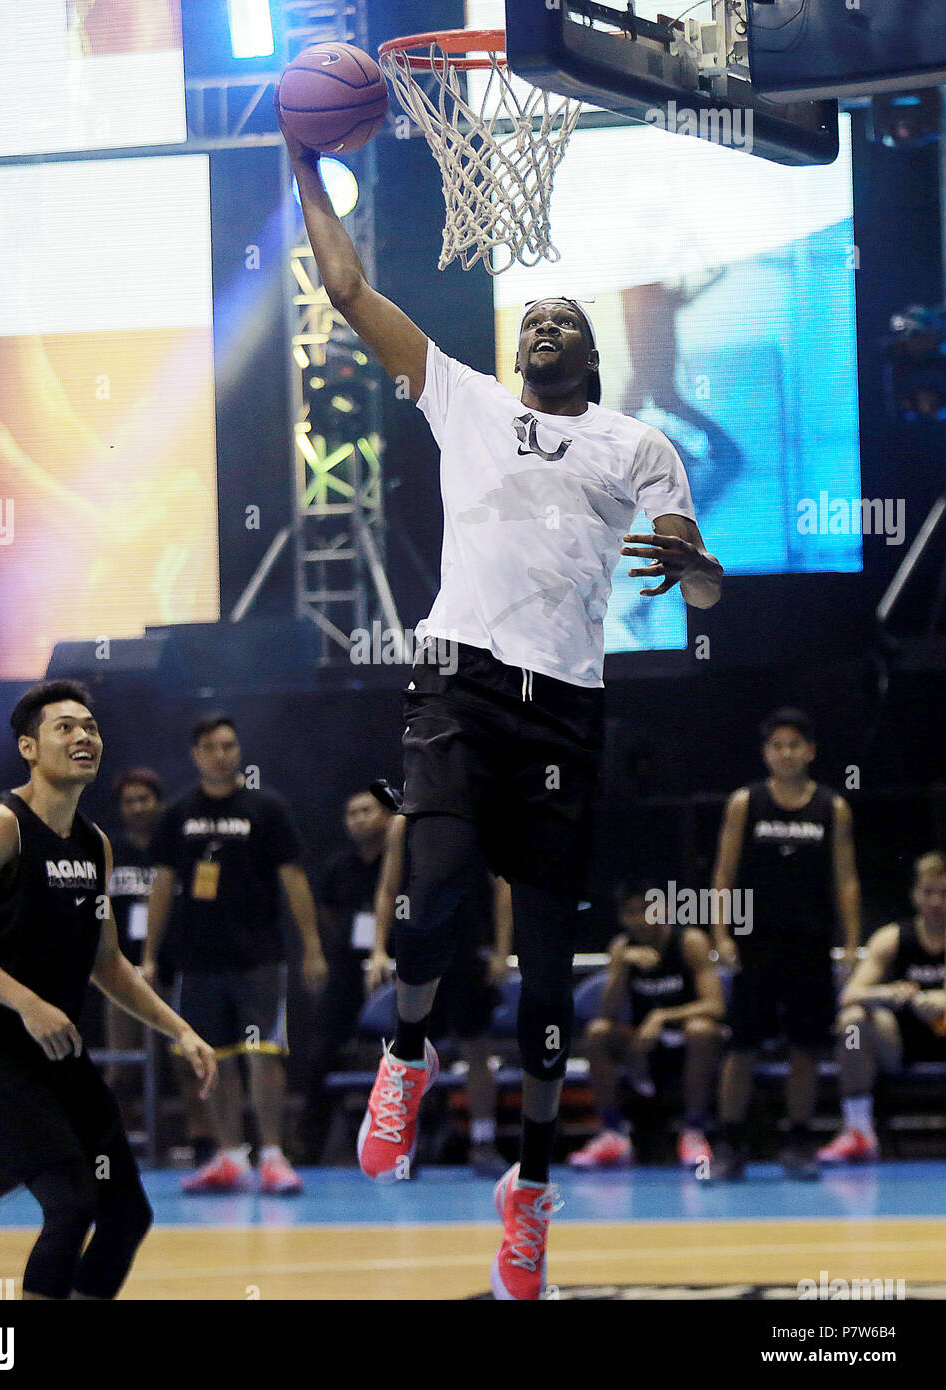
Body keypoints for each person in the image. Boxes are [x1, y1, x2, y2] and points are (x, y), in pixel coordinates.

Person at [280, 101, 723, 1298]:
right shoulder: (462, 396)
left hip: (565, 709)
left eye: (564, 319)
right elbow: (347, 287)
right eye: (533, 313)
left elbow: (694, 575)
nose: (545, 323)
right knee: (425, 916)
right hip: (460, 682)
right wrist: (300, 161)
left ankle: (528, 1191)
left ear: (587, 355)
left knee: (542, 978)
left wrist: (699, 575)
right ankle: (409, 1053)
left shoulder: (636, 445)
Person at [0, 680, 217, 1300]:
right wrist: (29, 1003)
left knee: (126, 1213)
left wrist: (181, 1030)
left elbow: (109, 965)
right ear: (29, 748)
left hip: (56, 1050)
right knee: (71, 1206)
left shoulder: (95, 846)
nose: (83, 736)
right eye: (65, 727)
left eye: (89, 727)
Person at [142, 714, 328, 1195]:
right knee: (213, 1059)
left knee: (264, 1054)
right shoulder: (179, 813)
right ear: (196, 754)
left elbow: (293, 878)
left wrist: (311, 947)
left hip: (259, 957)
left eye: (228, 745)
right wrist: (148, 955)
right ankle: (229, 1156)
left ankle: (272, 1155)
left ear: (238, 749)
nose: (220, 754)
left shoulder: (267, 808)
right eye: (210, 747)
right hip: (198, 961)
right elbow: (162, 883)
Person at [710, 707, 861, 1181]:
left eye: (795, 744)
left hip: (810, 944)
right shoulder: (745, 803)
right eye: (777, 745)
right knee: (742, 1047)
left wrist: (852, 942)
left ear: (810, 752)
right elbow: (723, 873)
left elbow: (846, 880)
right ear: (766, 753)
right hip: (755, 945)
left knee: (806, 1048)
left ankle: (798, 1141)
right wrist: (721, 933)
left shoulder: (832, 808)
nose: (787, 752)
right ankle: (730, 1144)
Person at [368, 806, 514, 1176]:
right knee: (408, 1052)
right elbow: (388, 888)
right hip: (420, 947)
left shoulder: (485, 820)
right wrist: (378, 949)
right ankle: (403, 1144)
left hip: (468, 950)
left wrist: (501, 950)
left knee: (477, 1048)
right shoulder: (405, 823)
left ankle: (482, 1140)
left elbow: (502, 888)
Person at [567, 880, 725, 1169]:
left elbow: (715, 1006)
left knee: (701, 1030)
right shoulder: (622, 947)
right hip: (641, 1044)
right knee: (597, 1032)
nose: (641, 918)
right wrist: (621, 967)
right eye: (632, 912)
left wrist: (661, 1017)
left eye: (648, 909)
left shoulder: (689, 942)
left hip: (684, 1038)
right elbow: (608, 1012)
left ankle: (694, 1130)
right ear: (622, 917)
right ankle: (613, 1134)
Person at [819, 851, 946, 1163]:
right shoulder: (891, 938)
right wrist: (888, 993)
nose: (936, 901)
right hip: (901, 1043)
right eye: (928, 892)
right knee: (852, 1025)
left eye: (944, 894)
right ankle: (858, 1128)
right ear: (915, 895)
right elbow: (850, 994)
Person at [299, 788, 394, 1163]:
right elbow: (327, 914)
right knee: (322, 1051)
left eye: (366, 810)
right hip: (347, 972)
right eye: (351, 813)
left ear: (388, 816)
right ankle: (308, 1145)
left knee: (407, 1053)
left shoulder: (402, 862)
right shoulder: (339, 866)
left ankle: (415, 1140)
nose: (357, 818)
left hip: (394, 971)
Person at [103, 768, 164, 1124]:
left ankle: (203, 1143)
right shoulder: (109, 852)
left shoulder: (173, 850)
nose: (138, 807)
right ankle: (120, 1139)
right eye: (130, 802)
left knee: (185, 1060)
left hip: (170, 970)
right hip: (120, 974)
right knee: (121, 1064)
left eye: (144, 799)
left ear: (159, 802)